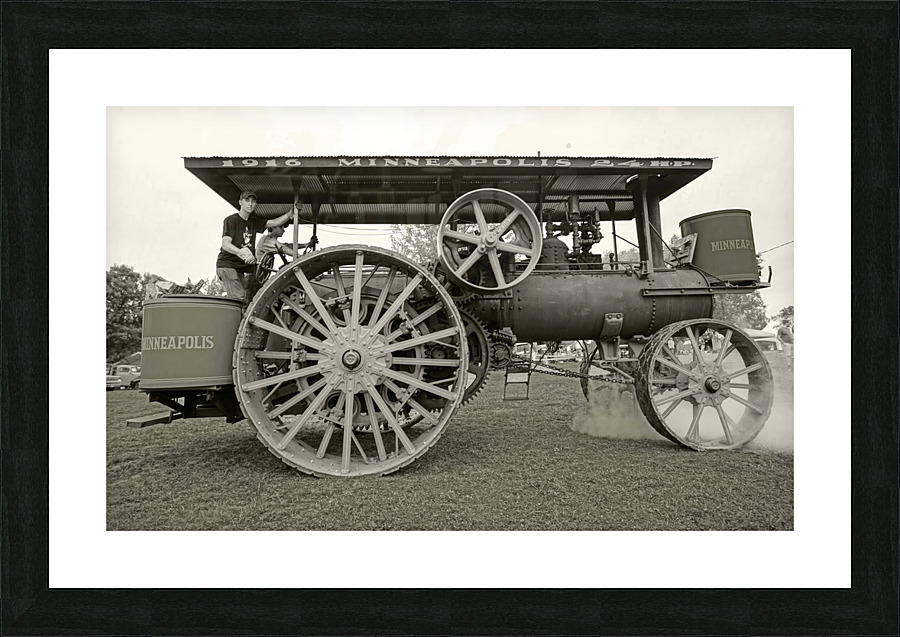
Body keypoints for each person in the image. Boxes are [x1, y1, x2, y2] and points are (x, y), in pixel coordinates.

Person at [215, 190, 294, 303]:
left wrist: (289, 214)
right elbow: (226, 245)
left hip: (240, 268)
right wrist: (240, 252)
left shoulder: (253, 222)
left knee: (247, 300)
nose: (250, 204)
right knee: (239, 298)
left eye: (253, 201)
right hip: (227, 265)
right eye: (247, 200)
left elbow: (273, 223)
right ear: (240, 202)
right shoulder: (231, 220)